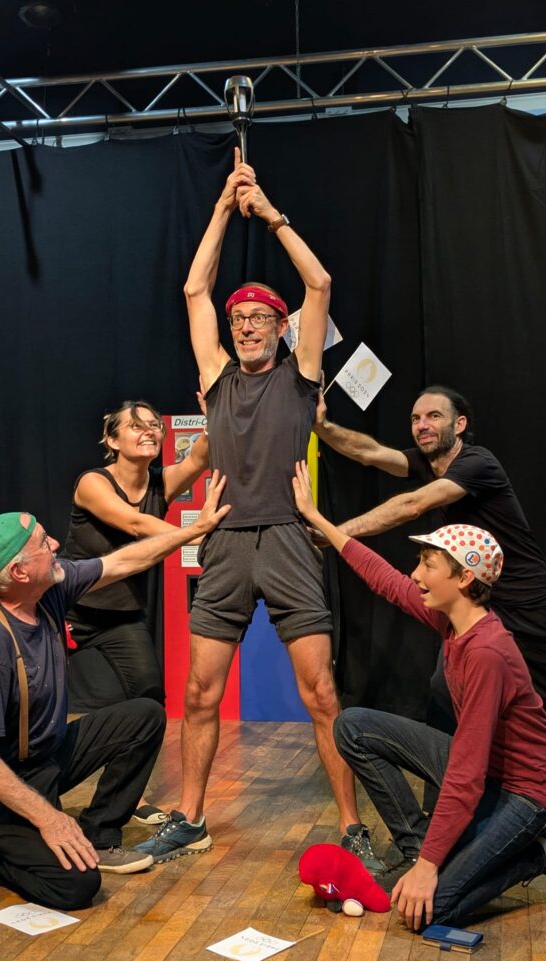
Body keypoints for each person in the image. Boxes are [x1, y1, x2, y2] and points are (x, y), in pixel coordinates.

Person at [137, 148, 373, 868]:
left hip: (290, 541)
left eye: (258, 318)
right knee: (199, 692)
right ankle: (191, 817)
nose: (244, 326)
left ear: (279, 327)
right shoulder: (216, 379)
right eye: (237, 318)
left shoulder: (302, 375)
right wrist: (220, 206)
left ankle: (352, 826)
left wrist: (269, 214)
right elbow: (193, 288)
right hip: (229, 542)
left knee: (321, 693)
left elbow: (320, 282)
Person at [291, 459, 546, 929]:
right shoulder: (450, 620)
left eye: (427, 565)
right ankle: (416, 847)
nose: (415, 574)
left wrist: (431, 869)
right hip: (488, 774)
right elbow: (385, 580)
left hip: (526, 792)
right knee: (351, 726)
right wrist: (320, 521)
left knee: (432, 911)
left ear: (464, 579)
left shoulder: (487, 652)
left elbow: (467, 771)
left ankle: (545, 850)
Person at [0, 471, 229, 911]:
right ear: (19, 571)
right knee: (76, 885)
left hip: (44, 759)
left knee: (145, 714)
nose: (57, 543)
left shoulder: (48, 591)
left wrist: (194, 530)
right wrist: (49, 818)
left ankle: (100, 832)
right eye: (43, 542)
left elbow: (125, 562)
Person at [313, 385, 546, 812]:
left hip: (526, 597)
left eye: (433, 416)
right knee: (443, 689)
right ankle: (443, 790)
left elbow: (413, 505)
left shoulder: (476, 463)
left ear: (459, 424)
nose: (422, 425)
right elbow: (370, 453)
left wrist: (336, 532)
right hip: (473, 600)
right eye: (415, 419)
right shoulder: (426, 462)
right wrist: (322, 426)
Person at [62, 400, 208, 824]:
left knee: (149, 704)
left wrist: (218, 410)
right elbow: (135, 524)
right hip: (69, 611)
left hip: (122, 618)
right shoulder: (93, 482)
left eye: (153, 425)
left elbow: (201, 455)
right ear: (112, 440)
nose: (148, 431)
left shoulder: (161, 482)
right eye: (135, 426)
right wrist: (198, 535)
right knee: (36, 699)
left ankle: (120, 803)